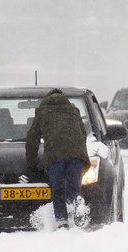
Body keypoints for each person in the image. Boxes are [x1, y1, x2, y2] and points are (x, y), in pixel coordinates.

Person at [25, 88, 90, 230]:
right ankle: (76, 200)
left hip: (56, 156)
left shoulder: (43, 112)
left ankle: (62, 223)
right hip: (77, 155)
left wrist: (32, 164)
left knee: (58, 190)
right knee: (73, 187)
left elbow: (32, 139)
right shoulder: (73, 111)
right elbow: (83, 134)